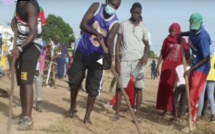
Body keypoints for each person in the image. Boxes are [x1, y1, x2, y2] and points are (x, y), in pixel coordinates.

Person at [67, 0, 121, 124]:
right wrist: (94, 32)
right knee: (74, 82)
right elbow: (83, 24)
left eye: (115, 7)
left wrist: (110, 56)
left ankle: (87, 117)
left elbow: (111, 39)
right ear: (107, 1)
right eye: (111, 4)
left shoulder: (115, 23)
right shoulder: (96, 7)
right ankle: (72, 108)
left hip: (98, 56)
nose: (112, 7)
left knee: (93, 87)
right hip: (83, 50)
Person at [114, 2, 150, 121]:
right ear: (130, 11)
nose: (135, 14)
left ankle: (137, 115)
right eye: (134, 12)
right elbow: (118, 42)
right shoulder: (123, 24)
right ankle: (117, 113)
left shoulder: (144, 27)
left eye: (138, 13)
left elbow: (147, 45)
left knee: (139, 88)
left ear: (140, 14)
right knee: (120, 88)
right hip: (124, 61)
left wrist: (145, 56)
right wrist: (117, 61)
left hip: (138, 63)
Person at [10, 0, 43, 130]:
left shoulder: (31, 5)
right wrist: (15, 20)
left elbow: (33, 32)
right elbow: (22, 19)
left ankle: (28, 119)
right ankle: (23, 115)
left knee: (26, 80)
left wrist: (20, 49)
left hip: (32, 45)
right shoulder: (19, 3)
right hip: (22, 44)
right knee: (22, 81)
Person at [180, 13, 211, 131]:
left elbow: (206, 58)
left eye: (195, 27)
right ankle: (191, 119)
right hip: (194, 66)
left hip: (201, 69)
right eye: (192, 27)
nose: (193, 30)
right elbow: (190, 33)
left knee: (193, 95)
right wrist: (181, 34)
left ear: (201, 24)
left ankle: (192, 123)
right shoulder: (192, 30)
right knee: (190, 94)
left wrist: (190, 70)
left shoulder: (204, 37)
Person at [155, 23, 188, 116]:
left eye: (174, 31)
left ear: (177, 31)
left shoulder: (181, 40)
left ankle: (175, 110)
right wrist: (158, 66)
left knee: (175, 89)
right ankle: (165, 109)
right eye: (171, 30)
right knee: (164, 88)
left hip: (177, 68)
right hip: (166, 67)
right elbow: (162, 53)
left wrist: (186, 44)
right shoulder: (166, 40)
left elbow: (186, 52)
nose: (172, 32)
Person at [171, 50, 191, 121]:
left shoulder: (178, 67)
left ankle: (175, 114)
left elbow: (176, 79)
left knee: (174, 99)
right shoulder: (190, 68)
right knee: (183, 100)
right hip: (186, 85)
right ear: (189, 60)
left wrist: (174, 87)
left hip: (179, 84)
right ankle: (182, 115)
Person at [197, 51, 215, 122]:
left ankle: (198, 115)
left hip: (204, 74)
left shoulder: (205, 52)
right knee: (210, 95)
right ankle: (213, 115)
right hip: (213, 76)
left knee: (201, 95)